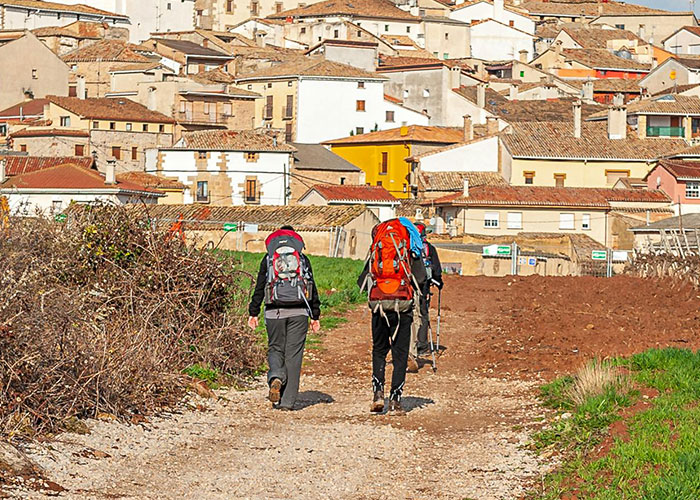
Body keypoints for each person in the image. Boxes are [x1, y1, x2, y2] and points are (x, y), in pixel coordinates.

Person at [248, 226, 321, 411]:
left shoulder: (269, 259)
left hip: (274, 311)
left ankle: (276, 377)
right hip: (299, 312)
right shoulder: (302, 259)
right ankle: (287, 402)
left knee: (275, 348)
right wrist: (315, 315)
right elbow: (311, 287)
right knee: (293, 356)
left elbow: (260, 287)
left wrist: (253, 312)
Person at [358, 218, 427, 415]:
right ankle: (396, 400)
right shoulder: (408, 250)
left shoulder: (376, 252)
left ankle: (378, 394)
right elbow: (421, 277)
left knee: (379, 351)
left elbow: (362, 281)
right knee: (400, 354)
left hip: (379, 305)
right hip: (402, 307)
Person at [414, 222, 443, 357]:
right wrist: (439, 282)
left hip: (407, 286)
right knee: (423, 314)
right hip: (423, 285)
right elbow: (436, 268)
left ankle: (407, 344)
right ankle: (422, 345)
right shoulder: (428, 248)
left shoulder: (406, 247)